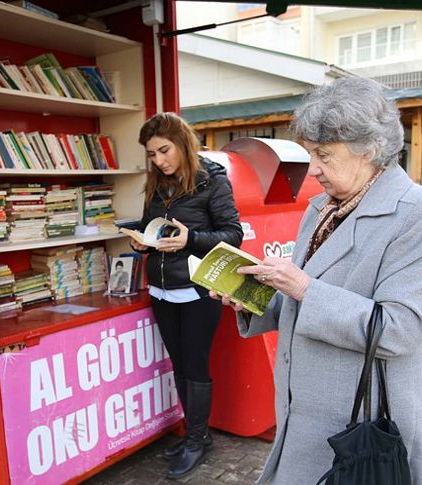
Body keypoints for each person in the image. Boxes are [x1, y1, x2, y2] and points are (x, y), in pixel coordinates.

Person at [213, 78, 422, 484]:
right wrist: (250, 298)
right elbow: (300, 300)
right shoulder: (320, 207)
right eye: (310, 154)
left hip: (363, 424)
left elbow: (401, 329)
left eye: (324, 155)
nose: (314, 169)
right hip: (304, 414)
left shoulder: (421, 211)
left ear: (370, 149)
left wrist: (304, 287)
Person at [130, 112, 243, 479]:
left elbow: (233, 233)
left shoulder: (212, 181)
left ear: (182, 143)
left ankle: (197, 440)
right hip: (162, 290)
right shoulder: (157, 185)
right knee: (179, 365)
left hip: (197, 291)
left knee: (194, 366)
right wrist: (143, 242)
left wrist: (190, 239)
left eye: (164, 150)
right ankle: (195, 434)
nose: (159, 160)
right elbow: (154, 227)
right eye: (152, 154)